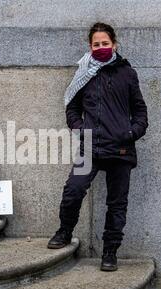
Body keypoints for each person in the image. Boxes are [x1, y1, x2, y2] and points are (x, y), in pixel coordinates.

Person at [47, 22, 148, 272]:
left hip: (121, 149)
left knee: (116, 203)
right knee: (73, 191)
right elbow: (71, 108)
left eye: (105, 43)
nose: (101, 48)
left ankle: (110, 252)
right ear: (90, 46)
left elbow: (140, 112)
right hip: (90, 147)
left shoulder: (127, 73)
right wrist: (79, 128)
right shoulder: (84, 73)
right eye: (96, 44)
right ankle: (64, 232)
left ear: (114, 44)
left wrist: (131, 133)